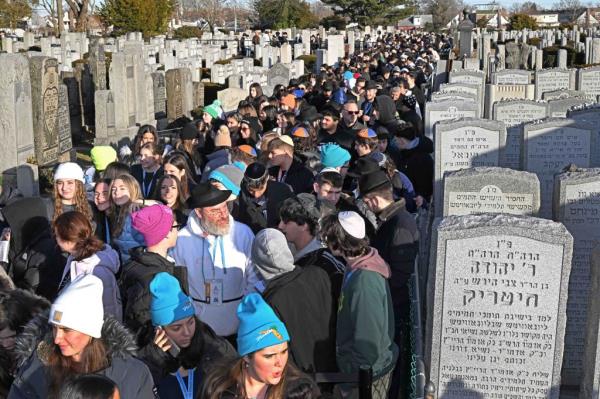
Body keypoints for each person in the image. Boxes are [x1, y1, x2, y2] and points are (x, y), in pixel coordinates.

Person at [8, 274, 155, 399]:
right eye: (54, 328)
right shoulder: (36, 367)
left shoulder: (132, 373)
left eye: (66, 329)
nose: (57, 338)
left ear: (90, 330)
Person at [320, 211, 397, 398]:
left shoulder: (364, 281)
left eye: (327, 238)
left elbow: (367, 342)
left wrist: (350, 383)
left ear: (338, 242)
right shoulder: (360, 264)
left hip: (365, 377)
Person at [358, 169, 419, 398]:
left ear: (373, 199)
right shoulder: (392, 220)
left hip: (392, 306)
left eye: (367, 201)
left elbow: (399, 275)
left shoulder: (400, 224)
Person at [172, 183, 258, 339]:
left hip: (238, 324)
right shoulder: (182, 239)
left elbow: (254, 276)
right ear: (198, 212)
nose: (223, 215)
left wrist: (246, 310)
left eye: (224, 207)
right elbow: (177, 282)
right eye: (215, 211)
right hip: (199, 325)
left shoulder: (243, 233)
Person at [252, 229, 336, 374]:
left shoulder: (270, 304)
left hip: (301, 381)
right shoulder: (318, 274)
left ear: (259, 264)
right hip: (334, 371)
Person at [202, 293, 316, 399]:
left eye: (284, 352)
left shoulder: (299, 391)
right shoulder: (219, 389)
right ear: (247, 357)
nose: (280, 363)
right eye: (269, 356)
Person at [140, 273, 236, 397]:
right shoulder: (146, 361)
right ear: (159, 330)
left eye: (191, 322)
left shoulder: (215, 347)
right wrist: (154, 362)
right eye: (176, 328)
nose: (187, 332)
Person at [120, 204, 188, 335]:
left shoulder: (141, 263)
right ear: (166, 233)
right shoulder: (152, 276)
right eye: (175, 227)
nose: (178, 231)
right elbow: (140, 324)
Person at [53, 211, 122, 321]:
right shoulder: (74, 257)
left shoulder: (97, 270)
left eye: (57, 235)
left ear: (68, 240)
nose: (55, 238)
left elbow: (110, 310)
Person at [278, 194, 345, 305]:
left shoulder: (323, 262)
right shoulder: (284, 247)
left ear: (304, 225)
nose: (280, 226)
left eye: (286, 222)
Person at [0, 289, 50, 396]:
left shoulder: (41, 354)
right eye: (0, 339)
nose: (4, 344)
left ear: (26, 328)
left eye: (11, 337)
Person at [237, 163, 294, 234]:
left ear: (267, 179)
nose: (256, 195)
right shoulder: (239, 194)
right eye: (251, 190)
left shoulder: (283, 191)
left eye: (261, 189)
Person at [107, 174, 147, 263]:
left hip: (138, 266)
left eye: (122, 188)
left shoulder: (139, 212)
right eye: (114, 189)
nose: (116, 192)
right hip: (125, 266)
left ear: (133, 190)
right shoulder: (117, 212)